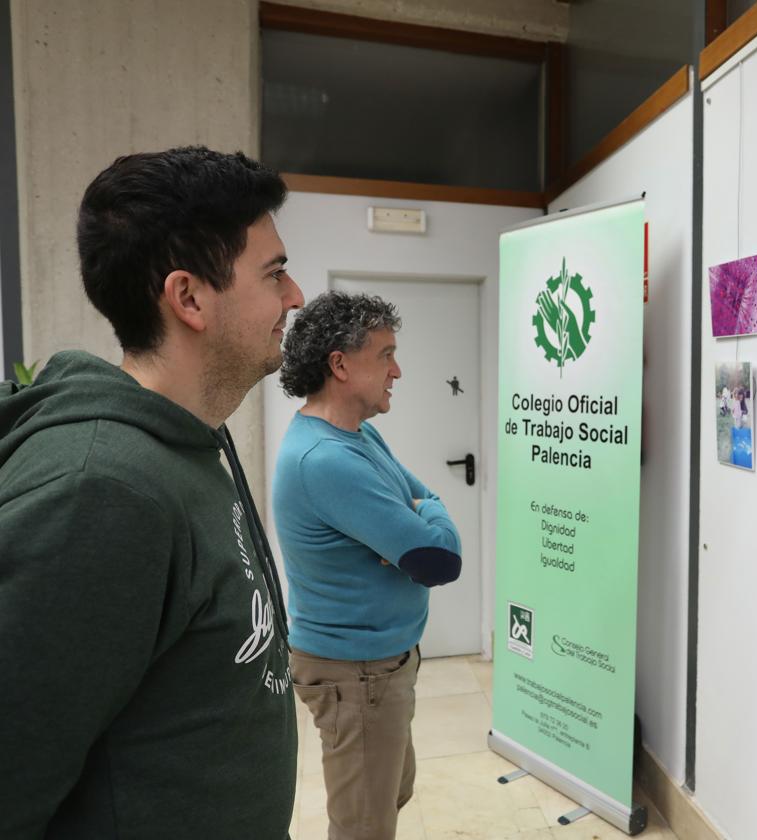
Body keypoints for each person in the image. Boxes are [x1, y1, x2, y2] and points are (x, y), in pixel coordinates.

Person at [0, 146, 304, 838]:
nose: (295, 296)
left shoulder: (194, 438)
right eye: (275, 273)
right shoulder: (99, 492)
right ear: (189, 297)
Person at [272, 291, 462, 840]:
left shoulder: (358, 435)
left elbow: (420, 495)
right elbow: (438, 560)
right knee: (362, 826)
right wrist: (423, 517)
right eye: (385, 355)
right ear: (340, 364)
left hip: (381, 665)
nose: (397, 370)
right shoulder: (325, 460)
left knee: (391, 792)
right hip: (357, 676)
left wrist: (421, 511)